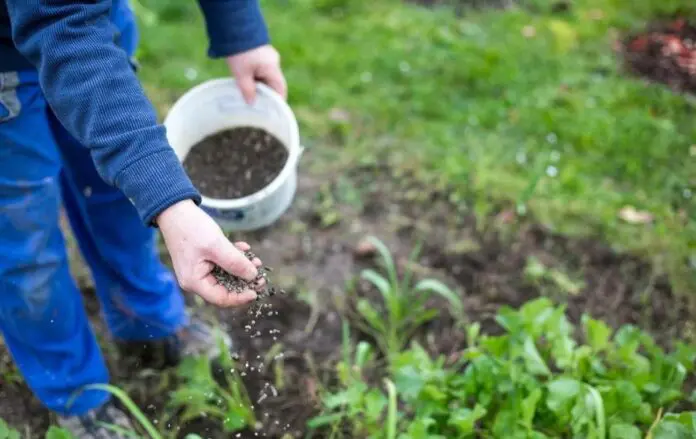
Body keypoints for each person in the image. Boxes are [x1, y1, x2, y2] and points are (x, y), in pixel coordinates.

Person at [0, 0, 287, 437]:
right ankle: (76, 393)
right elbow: (62, 26)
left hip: (95, 20)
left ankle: (147, 321)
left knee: (119, 195)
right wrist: (171, 203)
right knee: (25, 242)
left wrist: (240, 28)